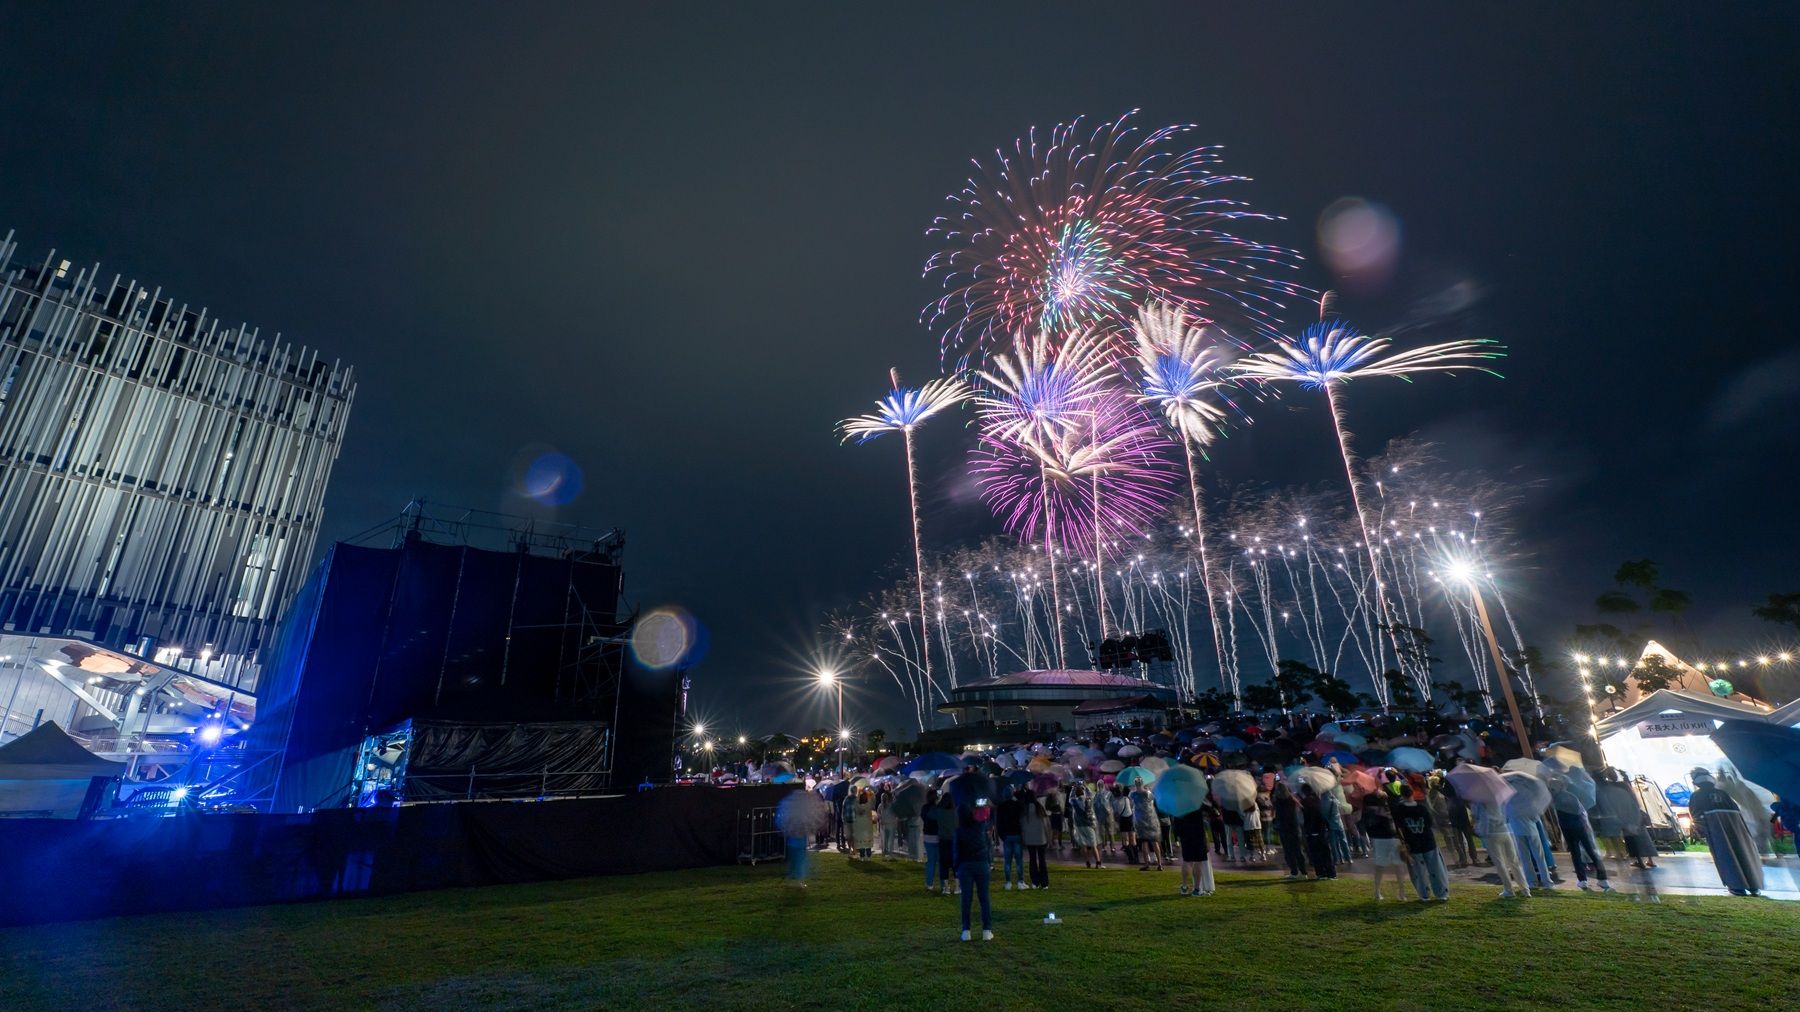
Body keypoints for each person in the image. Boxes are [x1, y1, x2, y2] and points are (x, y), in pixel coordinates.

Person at [1687, 768, 1765, 897]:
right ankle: (1753, 885)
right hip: (1737, 830)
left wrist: (1701, 831)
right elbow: (1737, 812)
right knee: (1743, 853)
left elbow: (1697, 816)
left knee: (1725, 856)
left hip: (1716, 831)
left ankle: (1737, 887)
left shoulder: (1696, 796)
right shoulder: (1723, 794)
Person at [1551, 781, 1612, 893]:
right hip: (1580, 826)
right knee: (1591, 851)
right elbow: (1581, 812)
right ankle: (1603, 879)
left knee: (1575, 854)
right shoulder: (1572, 796)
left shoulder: (1555, 799)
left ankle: (1582, 879)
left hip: (1567, 828)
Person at [1393, 784, 1449, 901]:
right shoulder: (1422, 808)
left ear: (1401, 794)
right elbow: (1429, 823)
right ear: (1412, 793)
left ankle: (1424, 894)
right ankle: (1441, 893)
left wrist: (1403, 842)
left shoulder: (1399, 810)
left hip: (1412, 843)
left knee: (1418, 871)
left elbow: (1399, 828)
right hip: (1428, 841)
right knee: (1435, 868)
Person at [954, 791, 995, 941]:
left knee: (966, 899)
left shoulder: (959, 831)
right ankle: (987, 930)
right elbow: (988, 845)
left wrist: (956, 867)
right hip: (981, 864)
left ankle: (966, 930)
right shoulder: (981, 827)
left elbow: (956, 851)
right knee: (984, 898)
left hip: (965, 865)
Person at [1359, 789, 1409, 900]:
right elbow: (1395, 825)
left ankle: (1377, 892)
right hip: (1392, 839)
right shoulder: (1387, 809)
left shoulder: (1368, 811)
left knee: (1380, 867)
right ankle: (1401, 893)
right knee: (1398, 866)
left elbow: (1366, 826)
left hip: (1379, 840)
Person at [1472, 799, 1529, 898]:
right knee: (1514, 861)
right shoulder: (1499, 797)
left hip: (1491, 832)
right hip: (1505, 830)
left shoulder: (1479, 800)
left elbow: (1476, 816)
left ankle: (1509, 890)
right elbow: (1506, 813)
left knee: (1500, 863)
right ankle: (1525, 889)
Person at [1172, 804, 1215, 897]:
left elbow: (1176, 820)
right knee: (1198, 861)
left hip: (1184, 833)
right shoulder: (1196, 801)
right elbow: (1211, 810)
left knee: (1187, 861)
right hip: (1197, 832)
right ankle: (1196, 889)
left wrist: (1177, 834)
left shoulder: (1179, 802)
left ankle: (1184, 887)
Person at [1299, 782, 1336, 880]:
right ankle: (1331, 873)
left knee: (1316, 853)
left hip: (1313, 830)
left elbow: (1307, 817)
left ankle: (1321, 873)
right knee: (1326, 852)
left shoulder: (1306, 802)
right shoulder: (1318, 800)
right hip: (1322, 829)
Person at [1271, 782, 1307, 879]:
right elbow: (1300, 809)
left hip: (1284, 829)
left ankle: (1294, 871)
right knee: (1298, 851)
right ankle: (1303, 872)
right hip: (1294, 828)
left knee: (1288, 851)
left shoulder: (1278, 802)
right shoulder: (1292, 800)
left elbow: (1277, 815)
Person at [1021, 789, 1051, 889]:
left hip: (1029, 839)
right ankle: (1044, 883)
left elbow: (1022, 825)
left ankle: (1035, 882)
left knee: (1032, 859)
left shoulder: (1024, 810)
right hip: (1041, 838)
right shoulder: (1040, 808)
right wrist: (1049, 838)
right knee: (1042, 860)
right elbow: (1047, 824)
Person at [931, 792, 960, 894]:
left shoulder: (939, 812)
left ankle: (946, 888)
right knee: (956, 863)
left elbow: (930, 815)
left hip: (943, 840)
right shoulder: (956, 812)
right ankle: (957, 887)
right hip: (954, 840)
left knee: (943, 864)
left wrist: (938, 803)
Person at [1069, 783, 1103, 868]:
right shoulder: (1088, 800)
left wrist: (1073, 789)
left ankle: (1087, 862)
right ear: (1083, 792)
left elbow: (1070, 797)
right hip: (1088, 825)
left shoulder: (1074, 802)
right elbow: (1091, 794)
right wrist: (1086, 787)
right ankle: (1098, 863)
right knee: (1093, 845)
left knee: (1083, 845)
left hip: (1078, 826)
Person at [996, 789, 1025, 890]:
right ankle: (1020, 881)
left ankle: (1008, 882)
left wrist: (1002, 836)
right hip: (1017, 834)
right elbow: (1022, 820)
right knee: (1019, 860)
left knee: (1007, 861)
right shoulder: (1018, 805)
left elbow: (999, 823)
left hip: (1007, 836)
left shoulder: (1001, 807)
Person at [1131, 784, 1163, 871]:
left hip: (1141, 821)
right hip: (1151, 820)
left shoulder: (1135, 795)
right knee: (1154, 842)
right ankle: (1159, 864)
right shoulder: (1149, 794)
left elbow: (1133, 807)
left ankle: (1147, 864)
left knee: (1144, 843)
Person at [921, 788, 943, 890]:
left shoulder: (925, 808)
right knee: (940, 861)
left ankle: (929, 883)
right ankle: (943, 883)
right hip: (938, 835)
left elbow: (923, 817)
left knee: (930, 861)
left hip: (928, 836)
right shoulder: (939, 808)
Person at [1114, 785, 1138, 865]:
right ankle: (1136, 858)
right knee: (1133, 840)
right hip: (1130, 819)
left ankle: (1130, 858)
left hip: (1123, 820)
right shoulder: (1129, 799)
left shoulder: (1117, 801)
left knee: (1125, 840)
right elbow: (1133, 808)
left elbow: (1117, 812)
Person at [850, 788, 875, 859]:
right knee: (867, 842)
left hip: (859, 827)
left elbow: (855, 802)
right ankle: (869, 856)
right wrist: (867, 792)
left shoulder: (857, 806)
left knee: (861, 843)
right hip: (867, 827)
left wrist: (859, 794)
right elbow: (872, 799)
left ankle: (862, 856)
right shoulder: (869, 805)